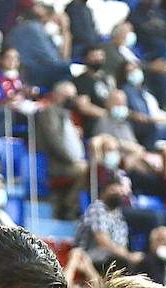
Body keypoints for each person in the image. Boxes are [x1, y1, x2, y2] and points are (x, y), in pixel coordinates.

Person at [33, 81, 88, 220]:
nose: (72, 99)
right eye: (68, 96)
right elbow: (55, 142)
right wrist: (73, 160)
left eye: (73, 96)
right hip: (53, 163)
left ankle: (71, 204)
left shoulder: (67, 114)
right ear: (57, 96)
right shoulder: (49, 113)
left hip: (68, 162)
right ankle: (69, 205)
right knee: (88, 169)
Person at [75, 176, 138, 275]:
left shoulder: (119, 216)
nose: (117, 194)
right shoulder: (97, 208)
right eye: (113, 191)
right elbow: (103, 241)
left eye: (120, 192)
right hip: (88, 254)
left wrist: (129, 256)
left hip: (111, 255)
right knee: (122, 262)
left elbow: (123, 245)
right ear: (103, 192)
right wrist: (128, 256)